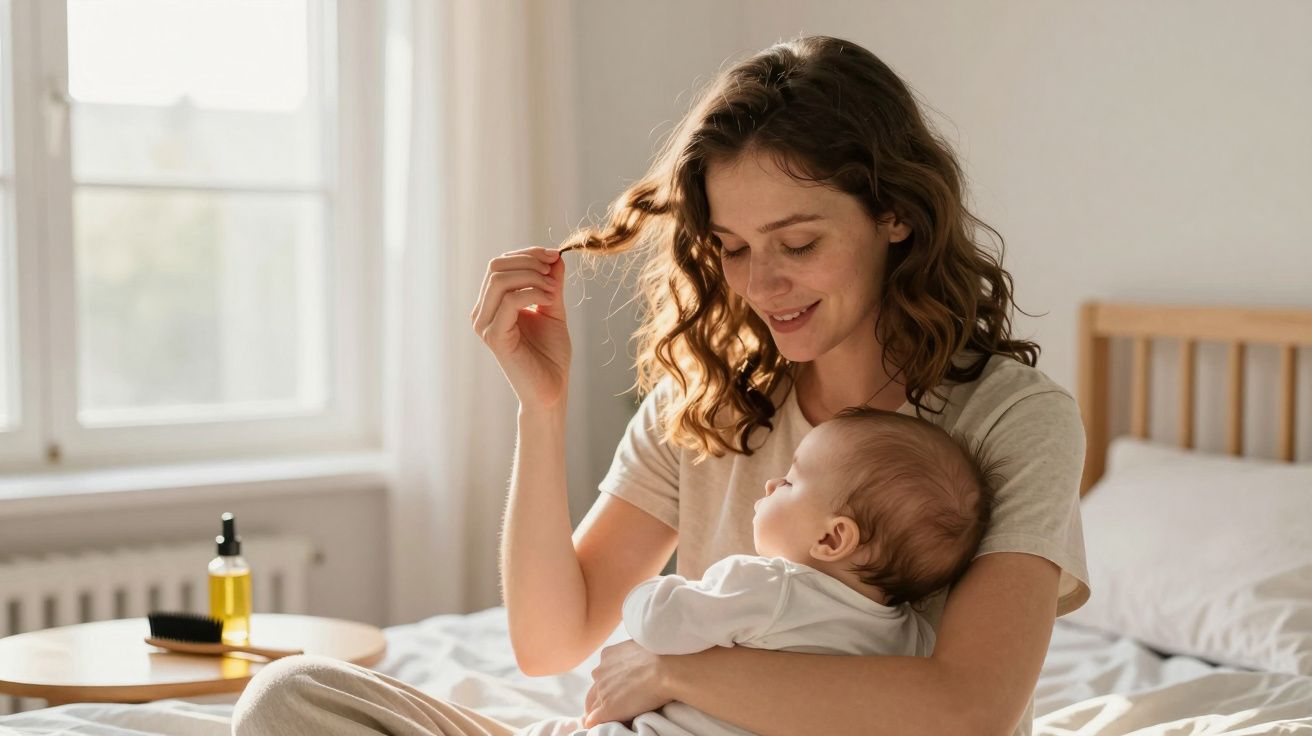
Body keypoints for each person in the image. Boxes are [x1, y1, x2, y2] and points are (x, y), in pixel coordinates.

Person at [232, 33, 1090, 736]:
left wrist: (676, 672)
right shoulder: (709, 401)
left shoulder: (1011, 418)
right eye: (733, 248)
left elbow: (969, 710)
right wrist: (541, 408)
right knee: (293, 698)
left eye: (798, 244)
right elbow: (550, 642)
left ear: (896, 214)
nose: (761, 286)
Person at [518, 407, 998, 736]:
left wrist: (651, 592)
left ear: (833, 539)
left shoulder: (769, 585)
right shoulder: (913, 639)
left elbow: (660, 625)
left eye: (789, 481)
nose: (770, 483)